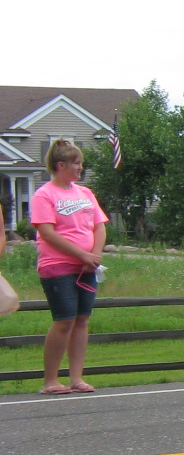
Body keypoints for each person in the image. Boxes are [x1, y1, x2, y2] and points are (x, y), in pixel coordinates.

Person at [29, 138, 109, 395]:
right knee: (64, 320)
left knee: (82, 320)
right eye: (76, 164)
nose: (80, 168)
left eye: (81, 164)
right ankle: (51, 380)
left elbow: (99, 226)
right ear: (60, 164)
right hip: (58, 265)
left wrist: (93, 256)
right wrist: (80, 255)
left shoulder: (85, 194)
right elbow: (47, 232)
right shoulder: (45, 194)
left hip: (87, 267)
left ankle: (77, 377)